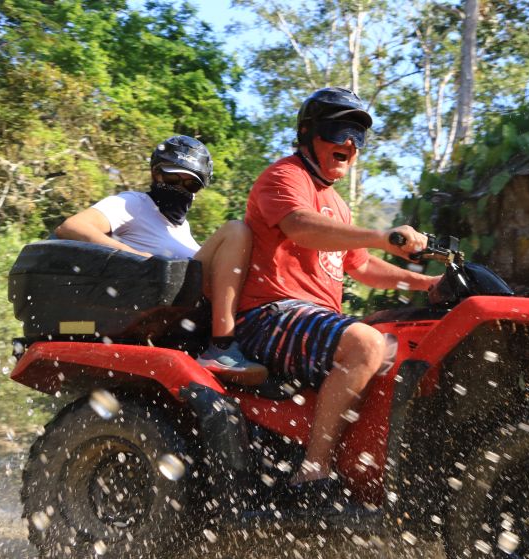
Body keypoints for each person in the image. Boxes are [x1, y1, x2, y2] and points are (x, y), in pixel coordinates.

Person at [237, 87, 439, 508]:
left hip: (311, 322)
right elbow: (300, 227)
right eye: (340, 131)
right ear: (308, 133)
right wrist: (381, 235)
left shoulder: (339, 205)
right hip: (270, 315)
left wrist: (429, 285)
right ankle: (313, 473)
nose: (350, 143)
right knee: (365, 341)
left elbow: (362, 268)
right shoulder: (285, 176)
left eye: (358, 137)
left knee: (399, 346)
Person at [55, 135, 267, 385]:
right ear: (156, 174)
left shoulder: (184, 232)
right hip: (145, 303)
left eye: (191, 184)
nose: (179, 188)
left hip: (185, 308)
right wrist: (137, 257)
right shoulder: (133, 203)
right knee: (235, 231)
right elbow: (72, 227)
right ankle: (221, 347)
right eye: (171, 178)